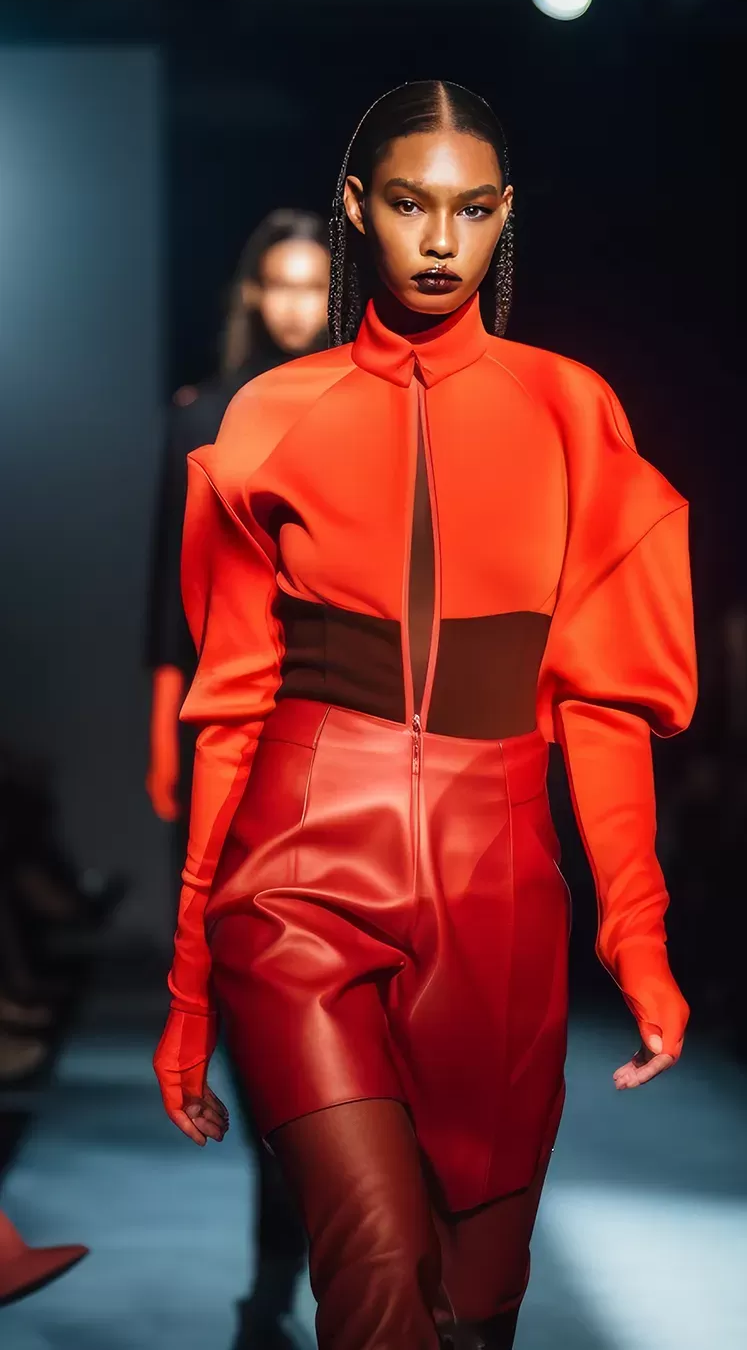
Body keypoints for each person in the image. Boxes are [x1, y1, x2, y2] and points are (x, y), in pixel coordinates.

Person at [153, 81, 697, 1350]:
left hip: (497, 876)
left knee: (470, 1315)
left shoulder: (571, 413)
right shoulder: (266, 421)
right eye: (408, 205)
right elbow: (230, 707)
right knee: (379, 1278)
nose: (440, 241)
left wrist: (639, 929)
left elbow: (604, 699)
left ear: (505, 216)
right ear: (359, 209)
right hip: (295, 872)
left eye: (469, 209)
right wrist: (188, 977)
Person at [147, 209, 330, 1350]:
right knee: (267, 1039)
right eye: (279, 284)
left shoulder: (363, 410)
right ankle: (273, 1283)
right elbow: (157, 597)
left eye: (315, 285)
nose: (296, 305)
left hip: (330, 745)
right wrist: (161, 733)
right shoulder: (200, 418)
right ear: (252, 293)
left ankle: (301, 1282)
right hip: (231, 744)